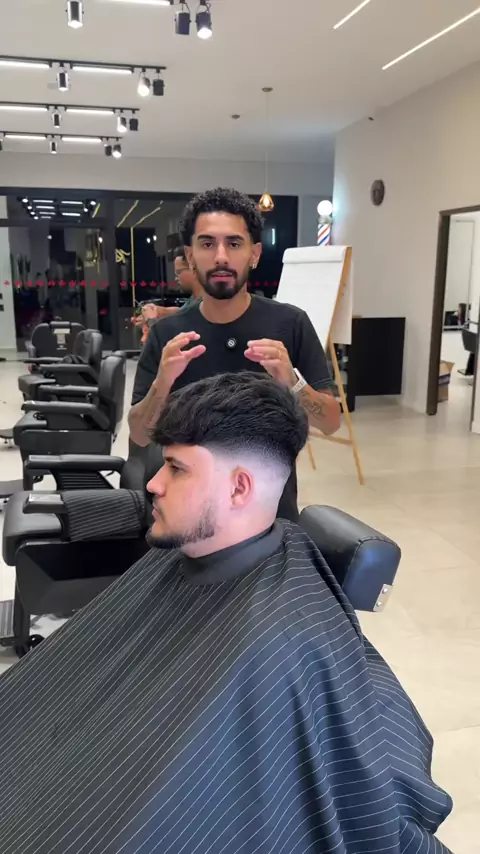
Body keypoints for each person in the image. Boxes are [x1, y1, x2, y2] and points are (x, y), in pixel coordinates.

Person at [0, 372, 452, 854]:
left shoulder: (272, 642)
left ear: (239, 489)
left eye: (176, 468)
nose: (154, 483)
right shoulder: (186, 550)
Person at [129, 187, 341, 522]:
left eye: (234, 243)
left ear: (254, 254)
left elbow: (330, 422)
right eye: (207, 244)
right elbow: (139, 434)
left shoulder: (290, 324)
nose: (221, 257)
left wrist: (293, 382)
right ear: (190, 255)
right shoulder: (167, 334)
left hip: (270, 516)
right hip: (189, 519)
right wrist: (163, 383)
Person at [136, 246, 202, 339]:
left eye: (178, 273)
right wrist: (159, 311)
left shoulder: (205, 303)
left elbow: (185, 324)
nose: (176, 278)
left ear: (193, 268)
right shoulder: (194, 298)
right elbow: (182, 312)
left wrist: (152, 321)